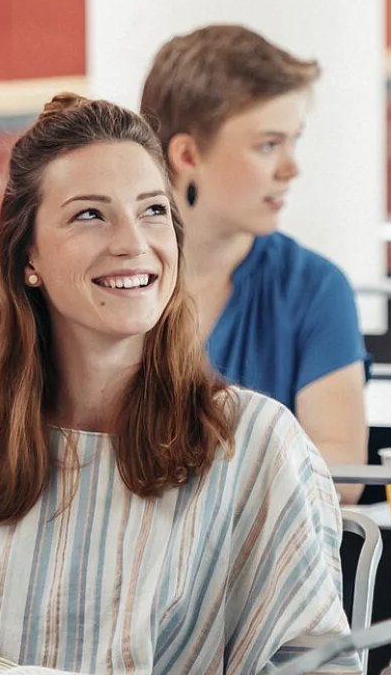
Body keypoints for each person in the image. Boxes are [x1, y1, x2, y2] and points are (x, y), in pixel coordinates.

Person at [0, 95, 357, 675]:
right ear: (28, 254)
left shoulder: (259, 446)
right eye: (91, 214)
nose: (133, 243)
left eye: (153, 211)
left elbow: (320, 674)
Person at [139, 25, 368, 502]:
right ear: (187, 154)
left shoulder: (315, 287)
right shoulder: (114, 279)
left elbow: (343, 475)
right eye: (268, 145)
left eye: (293, 141)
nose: (291, 168)